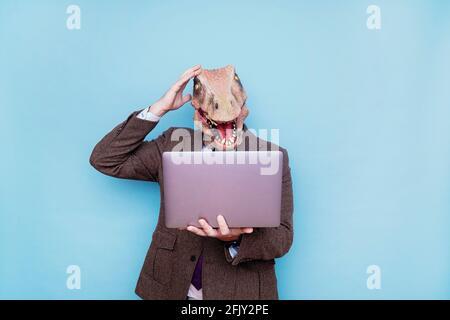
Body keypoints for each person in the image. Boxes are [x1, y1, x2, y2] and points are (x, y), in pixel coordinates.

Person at [89, 65, 294, 300]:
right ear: (197, 113)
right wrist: (159, 109)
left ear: (243, 109)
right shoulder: (172, 144)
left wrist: (236, 239)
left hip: (240, 294)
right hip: (170, 286)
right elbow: (105, 159)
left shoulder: (272, 156)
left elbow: (283, 239)